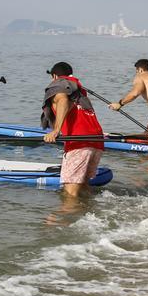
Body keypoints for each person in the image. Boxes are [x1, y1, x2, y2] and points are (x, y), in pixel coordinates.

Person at [42, 62, 104, 196]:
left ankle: (67, 216)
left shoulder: (58, 84)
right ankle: (88, 213)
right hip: (97, 140)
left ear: (54, 76)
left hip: (79, 142)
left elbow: (63, 100)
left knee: (70, 194)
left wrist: (56, 130)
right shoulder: (79, 90)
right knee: (83, 187)